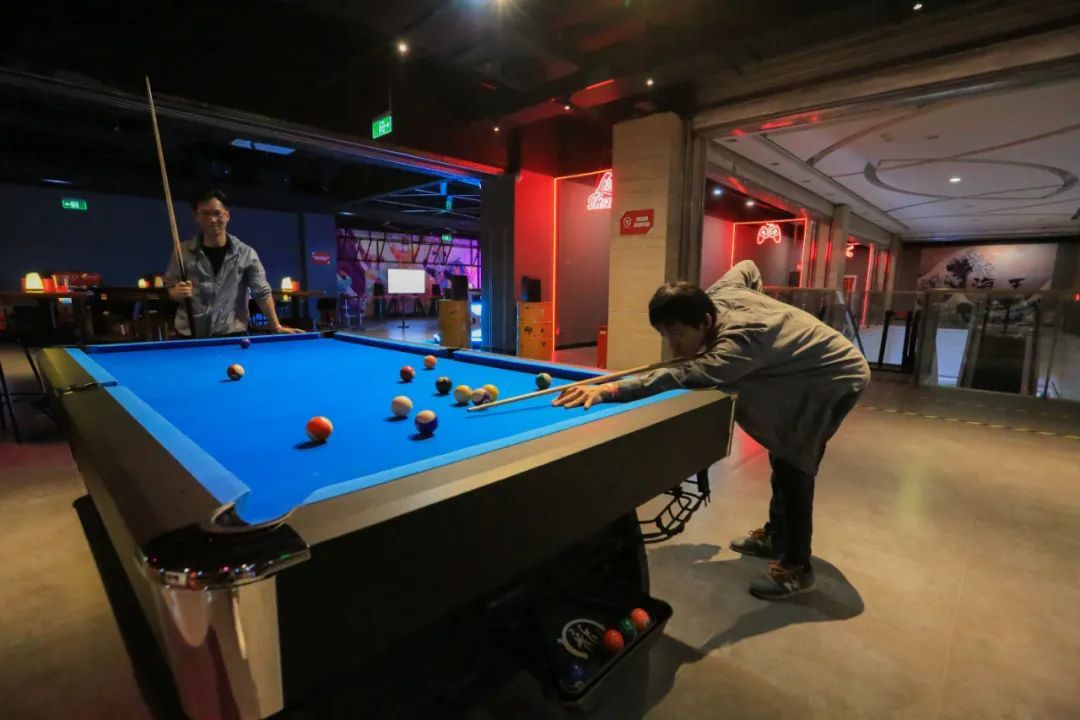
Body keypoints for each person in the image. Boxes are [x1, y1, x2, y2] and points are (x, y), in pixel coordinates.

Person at [554, 260, 870, 600]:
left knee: (794, 462)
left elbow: (679, 375)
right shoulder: (721, 292)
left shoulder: (736, 347)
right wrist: (763, 312)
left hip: (833, 376)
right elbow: (748, 267)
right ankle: (777, 535)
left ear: (705, 322)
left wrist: (611, 389)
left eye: (677, 335)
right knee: (782, 456)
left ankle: (797, 567)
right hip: (801, 363)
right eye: (665, 334)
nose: (672, 345)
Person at [166, 190, 302, 337]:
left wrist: (276, 326)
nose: (212, 219)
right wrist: (175, 293)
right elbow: (171, 286)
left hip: (232, 336)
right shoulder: (183, 251)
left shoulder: (246, 253)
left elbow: (262, 292)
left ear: (227, 215)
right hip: (190, 336)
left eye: (217, 213)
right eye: (205, 214)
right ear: (195, 217)